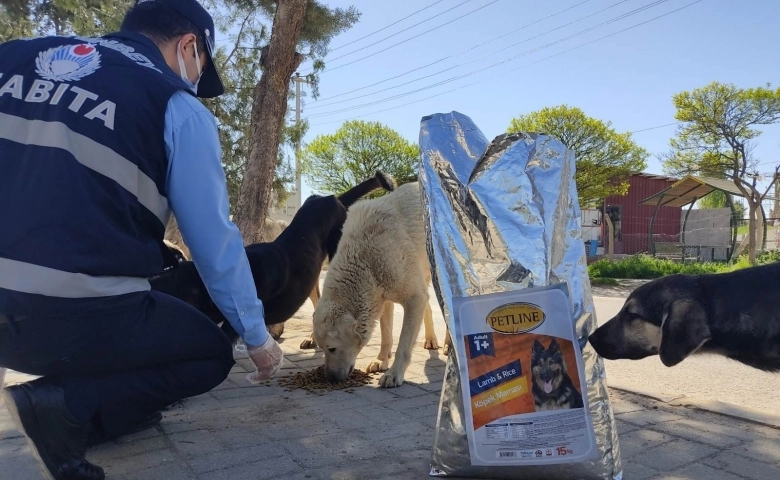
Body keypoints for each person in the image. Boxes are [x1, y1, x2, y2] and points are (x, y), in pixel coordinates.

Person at [0, 1, 284, 479]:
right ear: (189, 47)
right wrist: (257, 337)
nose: (195, 84)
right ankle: (63, 407)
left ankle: (79, 417)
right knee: (208, 352)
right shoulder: (175, 104)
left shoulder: (12, 55)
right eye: (199, 72)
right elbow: (214, 244)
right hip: (69, 317)